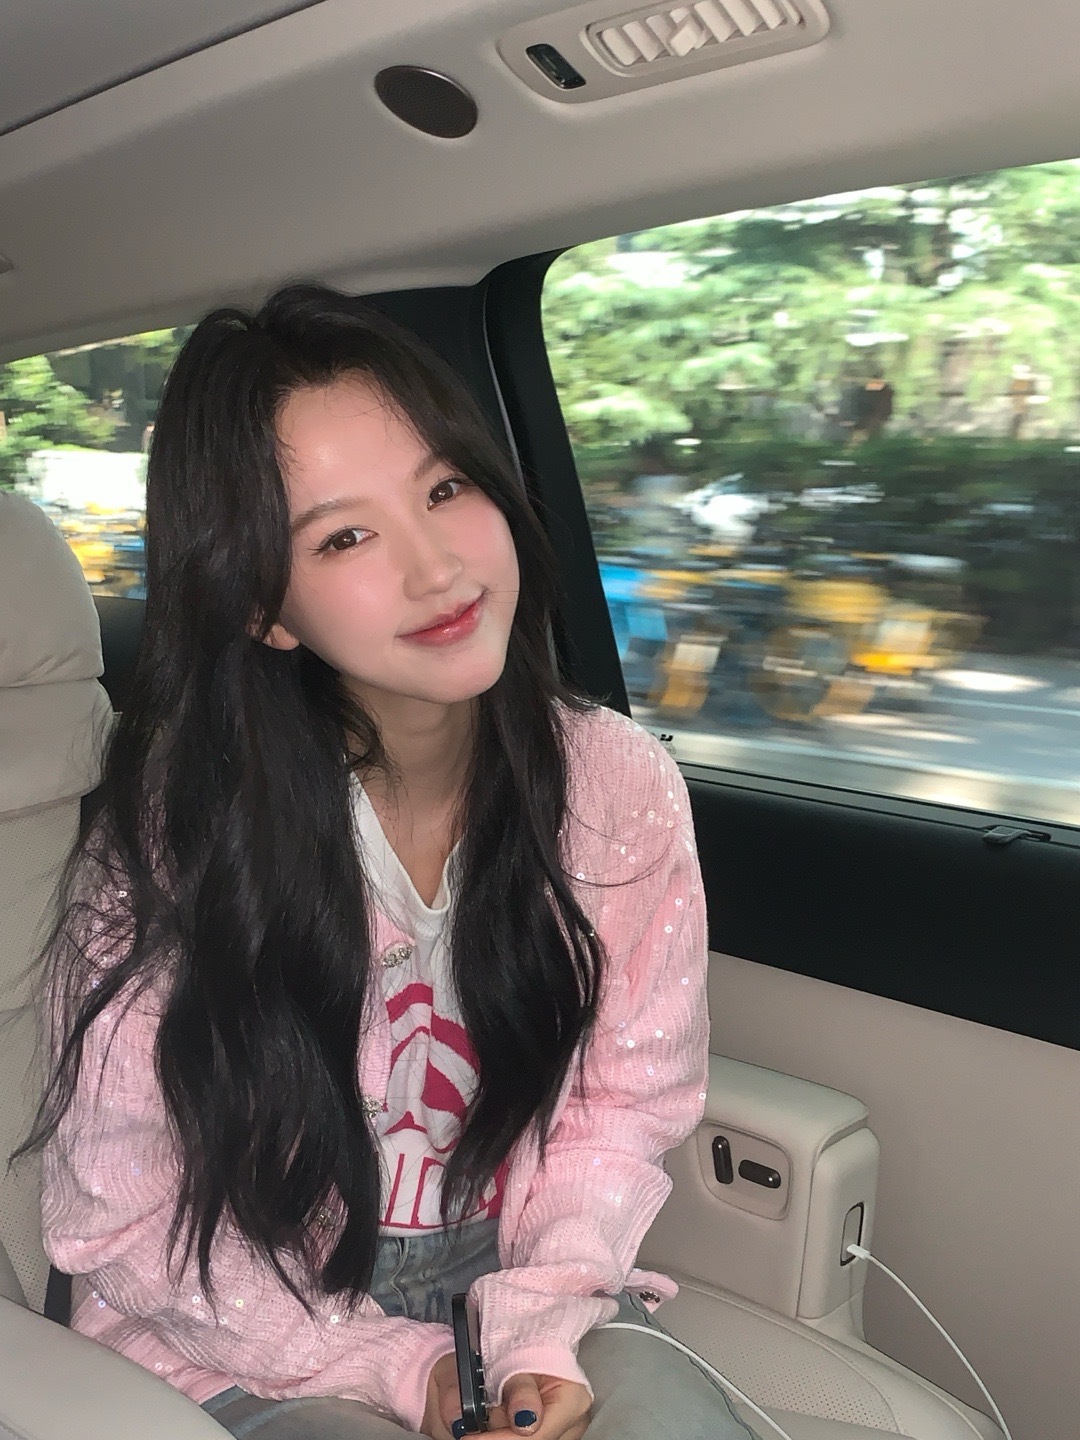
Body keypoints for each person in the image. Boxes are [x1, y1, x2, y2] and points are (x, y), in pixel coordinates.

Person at [20, 285, 758, 1440]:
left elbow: (620, 1104)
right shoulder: (177, 838)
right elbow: (120, 1213)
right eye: (345, 536)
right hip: (240, 1329)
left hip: (509, 1282)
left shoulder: (614, 786)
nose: (437, 568)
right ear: (265, 606)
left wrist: (539, 1321)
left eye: (446, 489)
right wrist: (393, 1367)